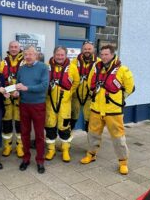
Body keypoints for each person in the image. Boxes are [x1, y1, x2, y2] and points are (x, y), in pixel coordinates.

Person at [80, 44, 135, 175]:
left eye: (107, 54)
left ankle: (123, 162)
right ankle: (91, 154)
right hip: (96, 109)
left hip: (113, 111)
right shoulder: (96, 68)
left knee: (118, 138)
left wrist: (120, 99)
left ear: (112, 54)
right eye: (102, 54)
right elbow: (89, 84)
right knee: (92, 134)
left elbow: (130, 88)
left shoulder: (122, 69)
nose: (104, 57)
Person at [16, 45, 49, 174]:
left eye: (31, 54)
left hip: (38, 105)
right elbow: (19, 86)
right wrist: (17, 92)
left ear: (36, 55)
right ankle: (26, 158)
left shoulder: (43, 67)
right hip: (24, 104)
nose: (28, 56)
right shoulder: (21, 69)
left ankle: (40, 161)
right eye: (26, 54)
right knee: (24, 133)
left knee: (39, 134)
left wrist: (26, 88)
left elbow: (44, 85)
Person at [45, 46, 79, 162]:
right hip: (50, 103)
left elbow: (76, 82)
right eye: (58, 55)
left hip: (65, 104)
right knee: (50, 126)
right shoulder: (46, 67)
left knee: (64, 128)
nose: (60, 57)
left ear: (66, 55)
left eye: (62, 55)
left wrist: (69, 93)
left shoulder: (73, 68)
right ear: (54, 55)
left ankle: (65, 150)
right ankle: (51, 150)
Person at [0, 41, 25, 157]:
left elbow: (28, 79)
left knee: (21, 124)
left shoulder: (25, 62)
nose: (13, 49)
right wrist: (9, 91)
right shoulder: (2, 62)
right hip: (7, 98)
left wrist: (19, 91)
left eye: (16, 47)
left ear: (19, 48)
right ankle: (7, 146)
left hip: (21, 98)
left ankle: (20, 147)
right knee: (7, 124)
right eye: (11, 47)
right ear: (8, 48)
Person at [71, 41, 100, 132]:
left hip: (91, 97)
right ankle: (66, 143)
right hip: (75, 96)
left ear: (93, 50)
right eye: (85, 49)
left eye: (89, 49)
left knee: (91, 123)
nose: (87, 50)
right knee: (70, 121)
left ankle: (92, 145)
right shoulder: (74, 62)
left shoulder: (99, 62)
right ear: (82, 50)